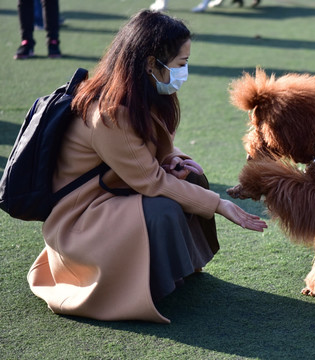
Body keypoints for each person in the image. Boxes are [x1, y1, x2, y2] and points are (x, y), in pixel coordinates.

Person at [27, 10, 267, 324]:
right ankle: (136, 287)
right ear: (151, 63)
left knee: (191, 179)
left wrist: (173, 159)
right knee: (162, 208)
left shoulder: (135, 93)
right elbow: (151, 182)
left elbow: (143, 153)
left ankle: (169, 275)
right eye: (181, 63)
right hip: (81, 218)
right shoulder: (110, 112)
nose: (185, 71)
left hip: (110, 196)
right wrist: (220, 205)